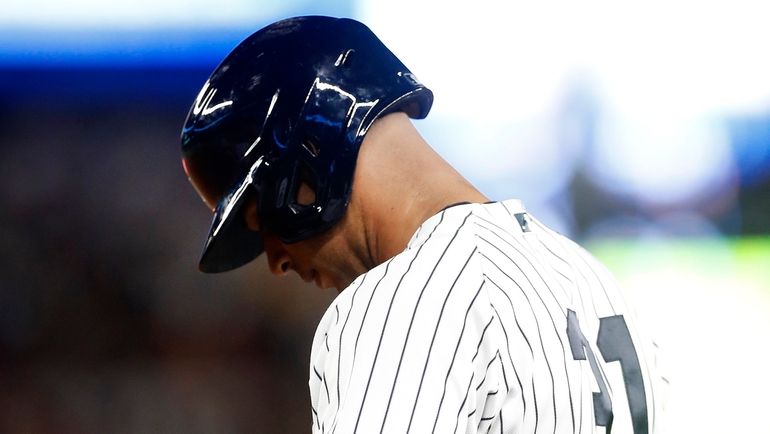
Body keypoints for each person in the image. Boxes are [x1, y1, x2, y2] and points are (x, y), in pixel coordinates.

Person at [180, 16, 664, 434]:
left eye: (259, 216)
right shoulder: (591, 280)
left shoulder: (397, 304)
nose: (276, 260)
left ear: (305, 163)